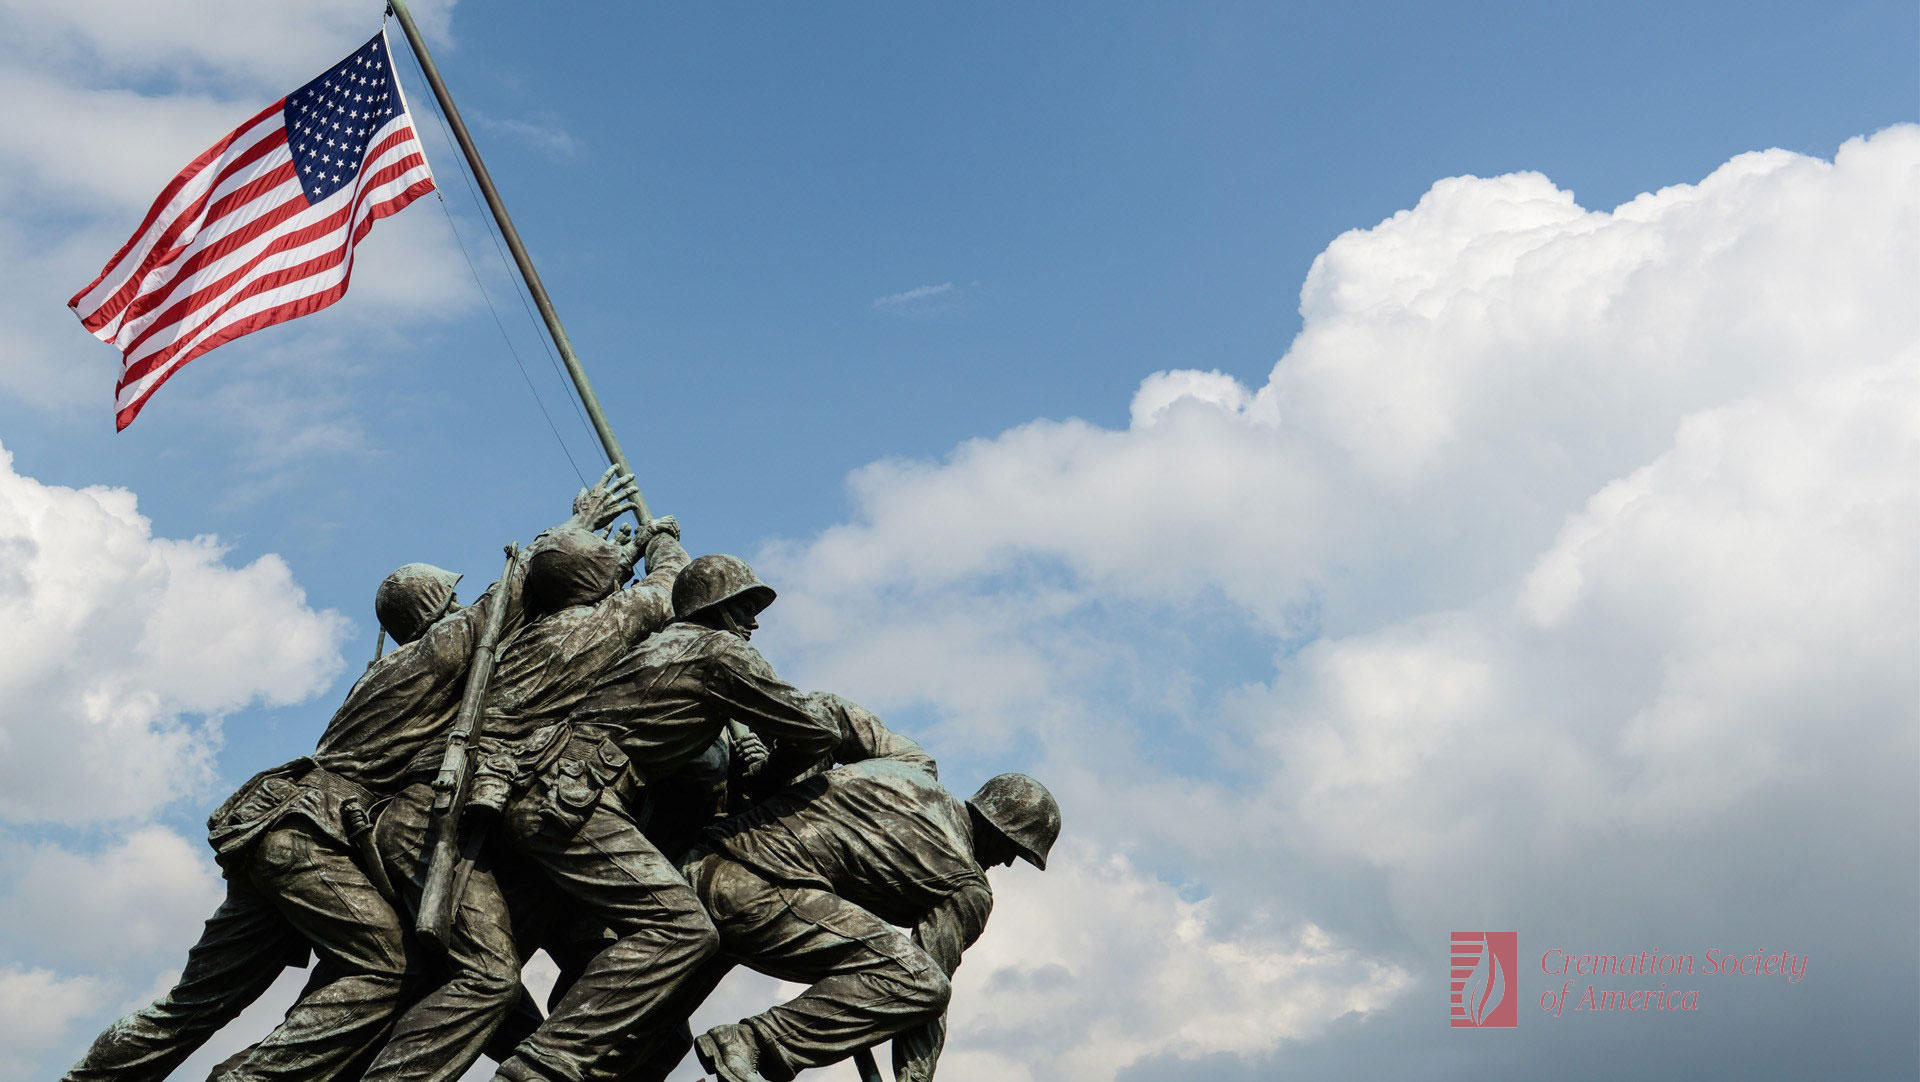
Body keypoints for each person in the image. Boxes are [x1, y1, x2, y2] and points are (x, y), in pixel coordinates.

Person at [55, 469, 636, 1082]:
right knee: (387, 968)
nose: (465, 608)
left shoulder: (380, 671)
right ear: (439, 611)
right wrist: (579, 524)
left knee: (192, 1006)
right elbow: (511, 596)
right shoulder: (435, 655)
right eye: (454, 602)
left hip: (276, 831)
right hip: (308, 837)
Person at [483, 554, 848, 1082]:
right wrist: (768, 778)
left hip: (548, 793)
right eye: (744, 607)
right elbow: (817, 730)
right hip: (576, 799)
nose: (754, 622)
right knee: (683, 929)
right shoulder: (719, 652)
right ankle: (542, 1065)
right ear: (716, 609)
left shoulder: (659, 646)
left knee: (501, 965)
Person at [365, 509, 689, 1082]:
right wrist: (661, 540)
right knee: (486, 979)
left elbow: (529, 586)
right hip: (454, 814)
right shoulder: (600, 628)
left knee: (488, 982)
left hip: (466, 813)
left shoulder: (515, 637)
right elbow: (670, 589)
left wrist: (607, 544)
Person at [682, 767, 1060, 1082]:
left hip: (692, 869)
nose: (1009, 862)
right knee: (921, 982)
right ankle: (751, 1041)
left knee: (646, 1044)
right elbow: (926, 996)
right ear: (999, 829)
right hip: (753, 895)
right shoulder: (967, 883)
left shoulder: (907, 777)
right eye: (1015, 849)